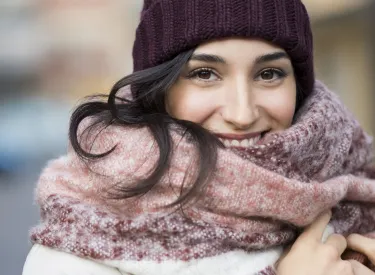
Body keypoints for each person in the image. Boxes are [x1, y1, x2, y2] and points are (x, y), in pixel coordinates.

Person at [23, 0, 375, 274]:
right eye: (205, 73)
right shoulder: (85, 243)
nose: (242, 113)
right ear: (160, 88)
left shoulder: (353, 190)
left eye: (269, 74)